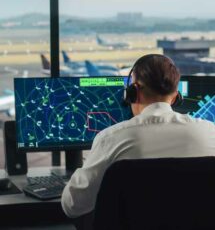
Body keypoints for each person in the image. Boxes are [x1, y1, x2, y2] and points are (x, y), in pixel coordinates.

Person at [61, 54, 215, 218]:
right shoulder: (210, 132)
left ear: (133, 92)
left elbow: (73, 205)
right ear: (176, 97)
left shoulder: (111, 138)